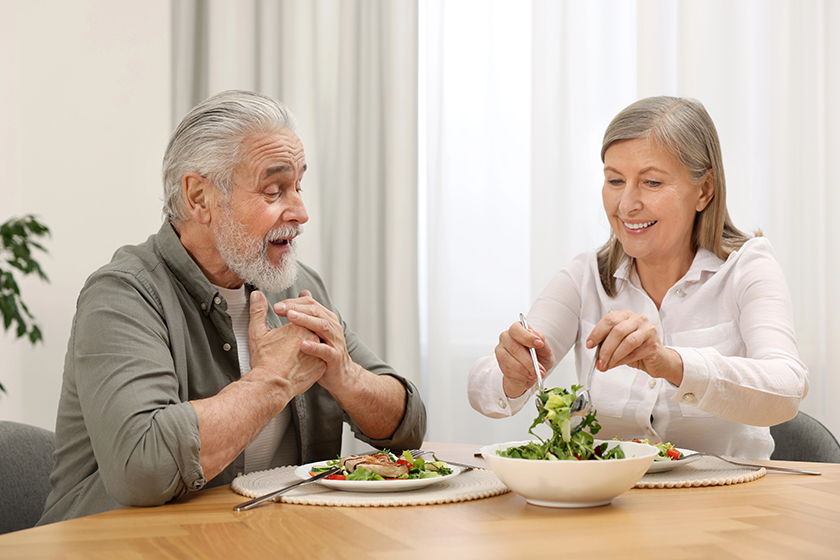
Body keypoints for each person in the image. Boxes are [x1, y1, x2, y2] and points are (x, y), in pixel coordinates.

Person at [39, 90, 426, 524]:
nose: (300, 211)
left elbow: (407, 428)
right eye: (274, 190)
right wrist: (272, 380)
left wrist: (348, 376)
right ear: (199, 197)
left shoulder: (297, 286)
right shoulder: (122, 295)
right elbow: (142, 467)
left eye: (298, 186)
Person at [468, 96, 808, 460]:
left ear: (704, 190)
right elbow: (482, 390)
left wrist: (671, 363)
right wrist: (513, 374)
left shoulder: (747, 266)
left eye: (651, 182)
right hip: (610, 502)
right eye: (615, 180)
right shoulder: (585, 276)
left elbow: (787, 389)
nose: (626, 204)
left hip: (729, 503)